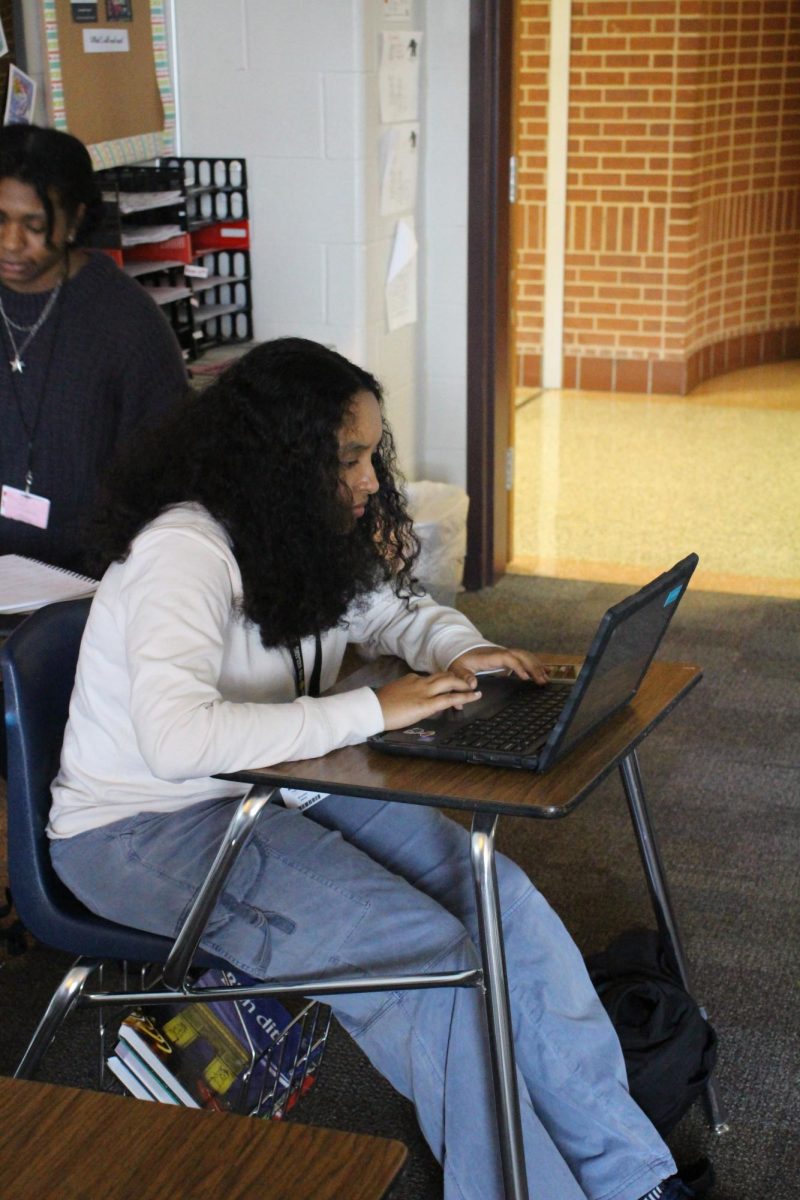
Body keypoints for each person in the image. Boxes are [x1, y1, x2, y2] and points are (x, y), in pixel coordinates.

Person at [48, 339, 700, 1200]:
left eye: (368, 453)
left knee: (503, 904)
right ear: (283, 459)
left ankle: (630, 1179)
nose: (367, 478)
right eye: (349, 457)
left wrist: (473, 651)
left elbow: (399, 613)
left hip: (272, 784)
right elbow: (175, 740)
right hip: (141, 828)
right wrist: (376, 710)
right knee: (428, 959)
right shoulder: (186, 550)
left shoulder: (297, 531)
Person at [0, 124, 188, 575]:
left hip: (87, 585)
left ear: (76, 218)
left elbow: (166, 478)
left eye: (35, 225)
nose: (11, 242)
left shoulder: (126, 324)